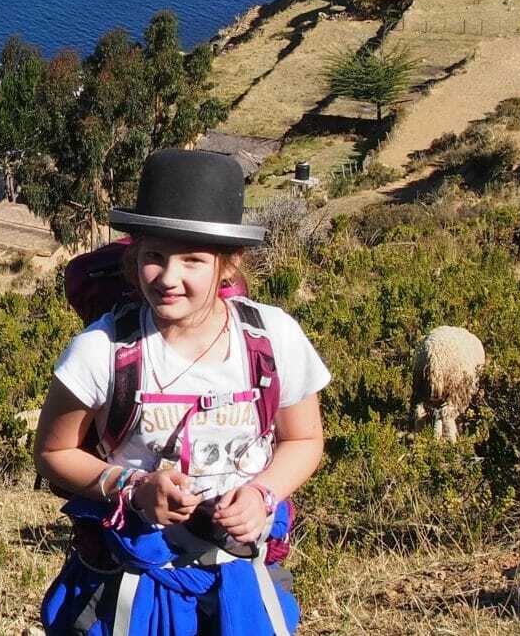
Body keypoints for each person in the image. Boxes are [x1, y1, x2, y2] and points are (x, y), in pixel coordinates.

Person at [35, 150, 329, 635]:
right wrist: (131, 488)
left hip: (239, 578)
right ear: (135, 256)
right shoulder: (100, 351)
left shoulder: (273, 338)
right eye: (154, 256)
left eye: (192, 260)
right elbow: (53, 450)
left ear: (227, 266)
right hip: (133, 584)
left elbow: (303, 439)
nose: (169, 278)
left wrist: (261, 494)